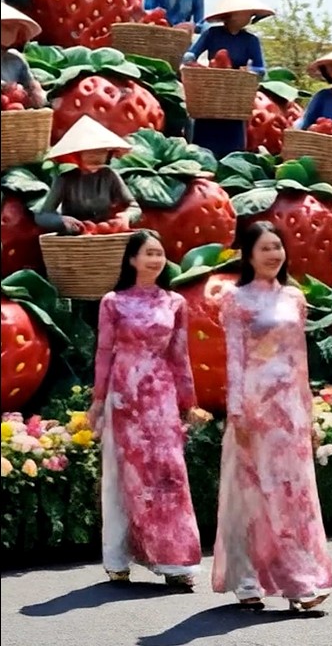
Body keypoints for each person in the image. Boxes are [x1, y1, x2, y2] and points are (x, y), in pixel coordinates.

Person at [212, 222, 332, 610]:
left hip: (290, 410)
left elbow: (300, 359)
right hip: (254, 406)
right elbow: (233, 358)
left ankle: (300, 578)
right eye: (265, 248)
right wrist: (236, 412)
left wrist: (309, 411)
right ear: (248, 254)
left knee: (293, 493)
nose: (273, 255)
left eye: (278, 247)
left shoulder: (295, 297)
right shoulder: (235, 298)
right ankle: (251, 581)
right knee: (253, 493)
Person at [88, 230, 207, 588]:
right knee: (125, 477)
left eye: (160, 253)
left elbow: (180, 356)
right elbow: (104, 353)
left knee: (170, 474)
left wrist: (190, 403)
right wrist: (98, 400)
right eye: (149, 253)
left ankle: (174, 561)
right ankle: (118, 558)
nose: (156, 259)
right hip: (124, 397)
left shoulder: (174, 302)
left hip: (161, 398)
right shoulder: (113, 302)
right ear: (132, 259)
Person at [183, 0, 272, 158]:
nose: (248, 18)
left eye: (250, 15)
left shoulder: (251, 40)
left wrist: (249, 71)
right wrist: (189, 59)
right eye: (245, 13)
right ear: (232, 14)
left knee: (233, 133)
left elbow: (261, 69)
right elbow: (193, 52)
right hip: (212, 87)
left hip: (235, 93)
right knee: (205, 131)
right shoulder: (212, 33)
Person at [36, 116, 139, 234]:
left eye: (101, 151)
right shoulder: (65, 179)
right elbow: (43, 215)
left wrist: (126, 216)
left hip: (105, 235)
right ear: (77, 155)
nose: (96, 156)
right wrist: (61, 220)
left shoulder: (109, 176)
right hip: (75, 236)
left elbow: (133, 206)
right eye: (89, 152)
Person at [1, 2, 47, 107]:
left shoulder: (16, 59)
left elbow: (30, 84)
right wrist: (5, 88)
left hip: (15, 112)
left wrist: (35, 91)